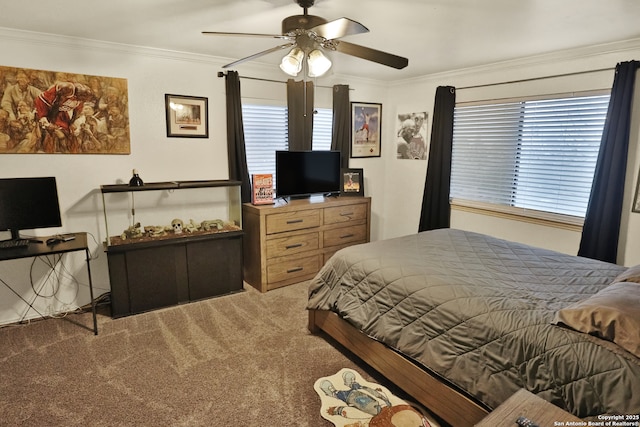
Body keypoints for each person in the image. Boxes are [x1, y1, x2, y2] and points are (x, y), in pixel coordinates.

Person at [34, 81, 94, 153]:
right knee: (53, 130)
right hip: (45, 105)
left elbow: (76, 111)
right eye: (81, 99)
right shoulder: (67, 88)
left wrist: (71, 123)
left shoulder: (81, 98)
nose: (81, 101)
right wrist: (51, 122)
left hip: (60, 112)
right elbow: (56, 105)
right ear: (78, 94)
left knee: (69, 133)